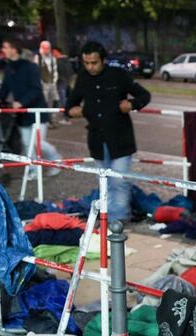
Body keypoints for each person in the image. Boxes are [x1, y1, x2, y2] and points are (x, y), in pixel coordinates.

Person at [65, 41, 150, 222]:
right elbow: (70, 105)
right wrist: (73, 111)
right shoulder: (82, 78)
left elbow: (144, 95)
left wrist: (132, 104)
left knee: (119, 181)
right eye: (86, 63)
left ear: (103, 60)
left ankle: (118, 219)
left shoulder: (119, 75)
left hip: (121, 138)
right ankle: (108, 217)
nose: (90, 67)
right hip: (96, 139)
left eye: (94, 63)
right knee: (104, 183)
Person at [0, 38, 61, 175]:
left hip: (37, 111)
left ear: (14, 49)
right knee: (27, 144)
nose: (3, 50)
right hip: (22, 114)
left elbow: (36, 89)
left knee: (38, 143)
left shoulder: (30, 67)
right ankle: (34, 170)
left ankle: (57, 161)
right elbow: (5, 87)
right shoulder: (8, 68)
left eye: (5, 47)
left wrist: (21, 102)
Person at [35, 40, 59, 125]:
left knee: (56, 100)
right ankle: (46, 119)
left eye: (48, 48)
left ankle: (52, 118)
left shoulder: (53, 58)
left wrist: (54, 80)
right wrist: (40, 82)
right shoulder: (37, 58)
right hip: (43, 83)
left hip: (52, 83)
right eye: (45, 48)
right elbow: (36, 71)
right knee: (44, 102)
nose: (46, 50)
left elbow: (55, 70)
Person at [53, 47, 74, 124]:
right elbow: (71, 71)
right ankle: (66, 116)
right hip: (66, 81)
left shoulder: (59, 61)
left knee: (62, 99)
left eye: (54, 52)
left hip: (61, 81)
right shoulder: (66, 60)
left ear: (57, 52)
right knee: (63, 99)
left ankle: (66, 118)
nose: (53, 54)